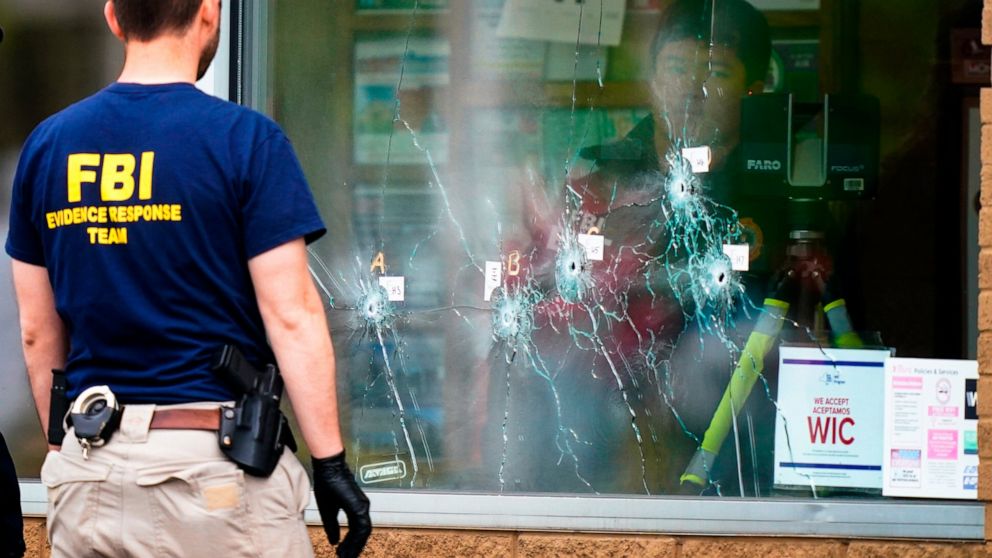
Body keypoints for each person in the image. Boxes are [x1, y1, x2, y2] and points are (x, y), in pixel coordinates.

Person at [5, 1, 371, 556]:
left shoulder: (47, 146)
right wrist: (331, 463)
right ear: (209, 12)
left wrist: (64, 449)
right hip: (213, 478)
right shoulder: (246, 140)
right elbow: (291, 315)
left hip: (89, 474)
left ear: (113, 17)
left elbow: (37, 329)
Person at [487, 0, 774, 495]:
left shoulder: (781, 188)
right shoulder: (601, 176)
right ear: (654, 76)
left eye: (717, 72)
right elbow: (545, 282)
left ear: (755, 88)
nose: (693, 87)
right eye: (678, 67)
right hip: (599, 418)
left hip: (731, 435)